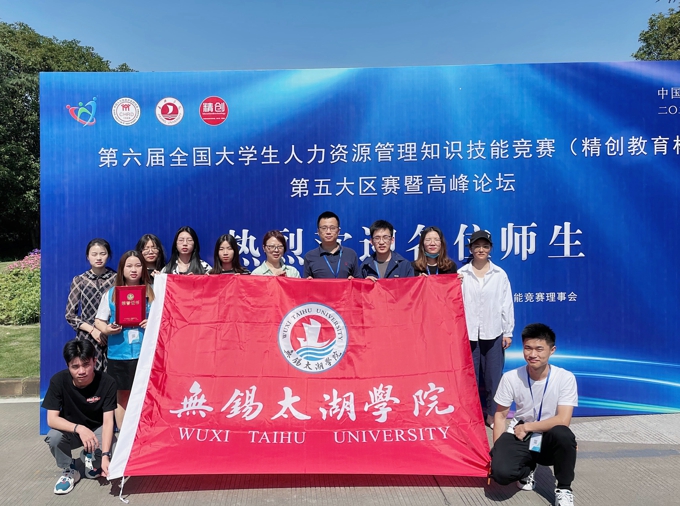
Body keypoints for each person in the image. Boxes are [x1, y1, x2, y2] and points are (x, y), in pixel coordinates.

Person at [490, 323, 578, 506]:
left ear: (552, 350)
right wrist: (498, 451)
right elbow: (500, 416)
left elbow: (563, 420)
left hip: (547, 436)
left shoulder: (565, 378)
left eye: (539, 349)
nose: (532, 354)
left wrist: (528, 427)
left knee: (563, 434)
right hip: (519, 435)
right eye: (528, 348)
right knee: (500, 473)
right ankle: (527, 469)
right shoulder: (511, 377)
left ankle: (564, 488)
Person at [42, 339, 117, 495]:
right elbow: (52, 419)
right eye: (75, 367)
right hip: (72, 431)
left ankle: (91, 459)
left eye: (86, 364)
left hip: (97, 430)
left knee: (115, 447)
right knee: (54, 437)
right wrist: (79, 429)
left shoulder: (107, 382)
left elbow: (108, 421)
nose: (81, 371)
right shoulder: (58, 381)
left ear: (95, 361)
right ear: (68, 366)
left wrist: (106, 456)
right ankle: (69, 469)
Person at [458, 230, 514, 427]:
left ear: (490, 249)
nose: (481, 250)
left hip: (494, 332)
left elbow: (506, 303)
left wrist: (508, 331)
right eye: (477, 246)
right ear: (470, 249)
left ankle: (492, 415)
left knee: (493, 377)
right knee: (469, 377)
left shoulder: (499, 274)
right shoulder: (461, 274)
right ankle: (471, 416)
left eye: (485, 246)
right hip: (469, 334)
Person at [94, 250, 154, 430]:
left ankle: (144, 432)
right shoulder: (111, 294)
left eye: (138, 265)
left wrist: (152, 322)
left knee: (146, 394)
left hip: (145, 353)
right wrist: (107, 329)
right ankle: (123, 434)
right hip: (119, 353)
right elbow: (99, 320)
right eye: (129, 266)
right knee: (122, 395)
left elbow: (164, 318)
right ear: (122, 269)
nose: (133, 270)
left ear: (143, 268)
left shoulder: (153, 292)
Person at [65, 238, 116, 372]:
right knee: (88, 373)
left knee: (112, 376)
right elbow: (70, 315)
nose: (98, 258)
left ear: (108, 255)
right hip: (87, 337)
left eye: (103, 254)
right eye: (94, 254)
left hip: (112, 335)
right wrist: (93, 330)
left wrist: (107, 329)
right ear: (88, 256)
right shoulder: (80, 280)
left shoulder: (117, 279)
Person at [303, 211, 361, 279]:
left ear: (338, 231)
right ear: (318, 231)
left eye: (332, 228)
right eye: (324, 228)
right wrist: (308, 282)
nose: (328, 232)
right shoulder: (310, 256)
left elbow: (359, 282)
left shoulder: (350, 254)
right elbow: (305, 284)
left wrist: (354, 280)